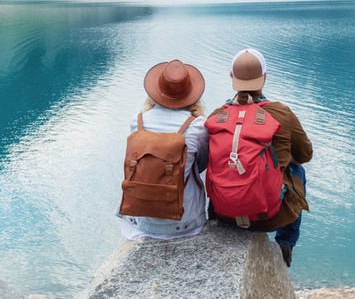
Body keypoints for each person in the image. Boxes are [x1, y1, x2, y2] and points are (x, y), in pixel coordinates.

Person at [207, 49, 313, 266]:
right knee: (298, 170)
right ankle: (286, 242)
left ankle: (214, 221)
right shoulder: (281, 113)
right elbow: (305, 155)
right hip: (269, 217)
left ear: (231, 77)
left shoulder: (217, 116)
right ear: (264, 77)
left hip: (224, 214)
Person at [118, 59, 209, 240]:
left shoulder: (138, 121)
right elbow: (201, 165)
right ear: (191, 94)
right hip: (185, 223)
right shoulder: (198, 126)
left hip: (141, 220)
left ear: (156, 92)